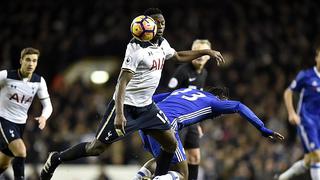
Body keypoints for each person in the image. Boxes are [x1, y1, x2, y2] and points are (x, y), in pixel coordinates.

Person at [40, 8, 224, 180]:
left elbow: (177, 57)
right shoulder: (135, 49)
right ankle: (56, 158)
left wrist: (206, 51)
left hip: (147, 107)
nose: (161, 27)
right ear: (146, 24)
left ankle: (157, 176)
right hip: (126, 107)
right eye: (157, 24)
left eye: (163, 24)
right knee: (95, 148)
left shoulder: (162, 43)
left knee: (170, 144)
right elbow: (122, 83)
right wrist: (119, 114)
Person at [133, 87, 284, 180]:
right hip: (167, 124)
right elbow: (238, 106)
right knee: (183, 174)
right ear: (221, 98)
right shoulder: (214, 103)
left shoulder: (183, 90)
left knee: (162, 161)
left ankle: (139, 177)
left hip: (147, 121)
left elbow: (151, 99)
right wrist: (262, 129)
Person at [0, 47, 53, 180]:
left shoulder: (39, 81)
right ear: (21, 61)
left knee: (3, 164)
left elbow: (48, 106)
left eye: (34, 61)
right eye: (28, 60)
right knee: (21, 151)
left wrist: (44, 117)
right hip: (4, 120)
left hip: (20, 125)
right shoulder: (5, 76)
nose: (31, 64)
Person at [167, 39, 211, 180]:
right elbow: (168, 95)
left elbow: (197, 101)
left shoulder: (204, 73)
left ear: (208, 55)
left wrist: (198, 123)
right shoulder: (182, 71)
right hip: (178, 120)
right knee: (173, 159)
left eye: (203, 52)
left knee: (194, 157)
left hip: (191, 121)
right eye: (196, 51)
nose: (199, 55)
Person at [279, 46, 320, 180]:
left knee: (310, 159)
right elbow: (288, 92)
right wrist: (292, 113)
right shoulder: (306, 75)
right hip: (307, 120)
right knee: (318, 155)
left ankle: (283, 177)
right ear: (316, 58)